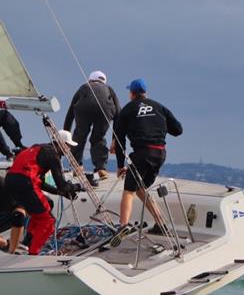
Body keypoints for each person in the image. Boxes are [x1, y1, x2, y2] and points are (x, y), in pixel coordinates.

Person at [111, 78, 182, 243]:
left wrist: (120, 165)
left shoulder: (127, 110)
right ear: (145, 92)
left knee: (129, 190)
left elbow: (119, 139)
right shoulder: (159, 107)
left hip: (141, 153)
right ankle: (162, 224)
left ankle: (122, 226)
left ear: (132, 94)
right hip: (160, 154)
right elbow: (178, 130)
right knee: (140, 188)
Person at [4, 130, 82, 255]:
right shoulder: (52, 154)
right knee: (48, 221)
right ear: (61, 144)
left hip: (11, 181)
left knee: (41, 210)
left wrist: (59, 192)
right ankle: (33, 254)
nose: (69, 150)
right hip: (25, 181)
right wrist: (79, 186)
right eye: (68, 146)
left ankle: (26, 244)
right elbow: (63, 185)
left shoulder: (38, 149)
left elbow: (40, 183)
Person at [63, 70, 121, 179]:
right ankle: (101, 168)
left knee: (80, 134)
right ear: (104, 81)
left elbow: (70, 112)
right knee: (98, 137)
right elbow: (119, 115)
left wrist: (65, 135)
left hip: (83, 107)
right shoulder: (109, 89)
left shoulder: (84, 87)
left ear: (90, 80)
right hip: (105, 108)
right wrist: (115, 139)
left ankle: (77, 166)